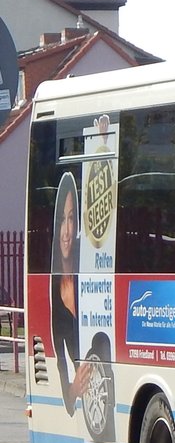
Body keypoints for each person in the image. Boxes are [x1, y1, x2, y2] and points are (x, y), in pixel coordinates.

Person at [50, 173, 92, 413]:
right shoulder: (55, 295)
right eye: (61, 221)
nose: (66, 232)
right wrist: (74, 389)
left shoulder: (88, 277)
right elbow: (61, 371)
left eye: (71, 219)